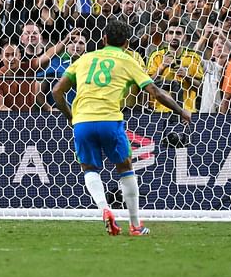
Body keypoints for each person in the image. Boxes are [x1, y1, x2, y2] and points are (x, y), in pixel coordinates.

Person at [52, 19, 192, 237]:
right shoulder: (127, 60)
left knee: (89, 169)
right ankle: (135, 225)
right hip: (109, 120)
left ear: (104, 39)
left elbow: (57, 91)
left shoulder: (85, 58)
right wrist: (181, 111)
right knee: (125, 168)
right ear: (127, 43)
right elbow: (155, 91)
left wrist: (72, 116)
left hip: (82, 122)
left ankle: (104, 209)